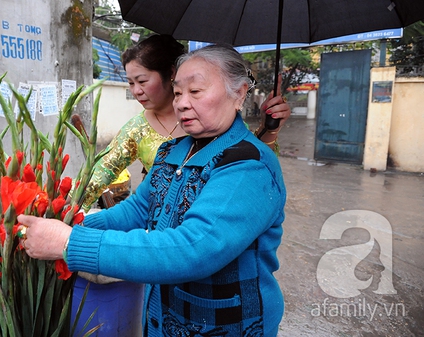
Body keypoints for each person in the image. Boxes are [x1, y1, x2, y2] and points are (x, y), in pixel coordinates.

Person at [19, 44, 287, 336]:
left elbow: (194, 249)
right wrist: (67, 220)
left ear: (239, 93)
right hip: (162, 320)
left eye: (195, 92)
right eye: (178, 92)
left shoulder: (249, 166)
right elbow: (137, 210)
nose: (182, 103)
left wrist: (70, 242)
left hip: (223, 326)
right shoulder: (172, 151)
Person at [82, 34, 290, 210]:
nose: (136, 91)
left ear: (171, 74)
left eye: (142, 81)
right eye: (130, 83)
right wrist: (64, 211)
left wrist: (269, 129)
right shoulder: (149, 138)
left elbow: (252, 163)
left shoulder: (216, 123)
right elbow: (115, 190)